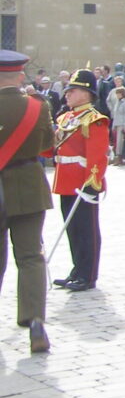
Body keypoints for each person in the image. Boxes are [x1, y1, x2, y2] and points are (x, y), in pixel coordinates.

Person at [0, 50, 55, 353]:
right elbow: (47, 145)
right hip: (30, 187)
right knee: (31, 256)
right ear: (20, 75)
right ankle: (35, 322)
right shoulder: (38, 106)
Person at [52, 66, 108, 293]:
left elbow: (97, 155)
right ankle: (77, 269)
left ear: (87, 93)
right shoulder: (66, 117)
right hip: (65, 180)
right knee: (72, 228)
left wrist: (92, 184)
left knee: (87, 229)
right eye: (68, 91)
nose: (68, 94)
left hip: (83, 183)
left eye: (72, 91)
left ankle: (88, 274)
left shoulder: (94, 120)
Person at [108, 84, 125, 164]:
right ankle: (121, 157)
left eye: (119, 93)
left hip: (123, 124)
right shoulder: (117, 102)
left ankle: (123, 158)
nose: (117, 95)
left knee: (124, 142)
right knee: (118, 142)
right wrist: (114, 125)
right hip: (118, 124)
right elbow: (115, 114)